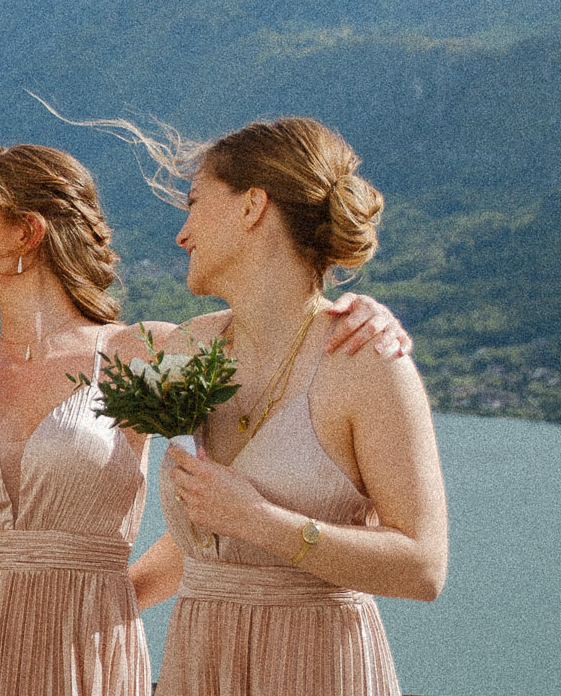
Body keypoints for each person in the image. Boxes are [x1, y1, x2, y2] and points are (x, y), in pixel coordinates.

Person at [0, 145, 410, 696]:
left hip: (88, 645)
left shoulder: (153, 351)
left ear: (27, 232)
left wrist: (361, 313)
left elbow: (271, 357)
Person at [139, 117, 449, 696]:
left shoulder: (364, 360)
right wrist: (109, 606)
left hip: (317, 666)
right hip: (198, 663)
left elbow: (424, 566)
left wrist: (263, 522)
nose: (182, 234)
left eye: (195, 203)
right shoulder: (187, 347)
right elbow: (211, 542)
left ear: (252, 206)